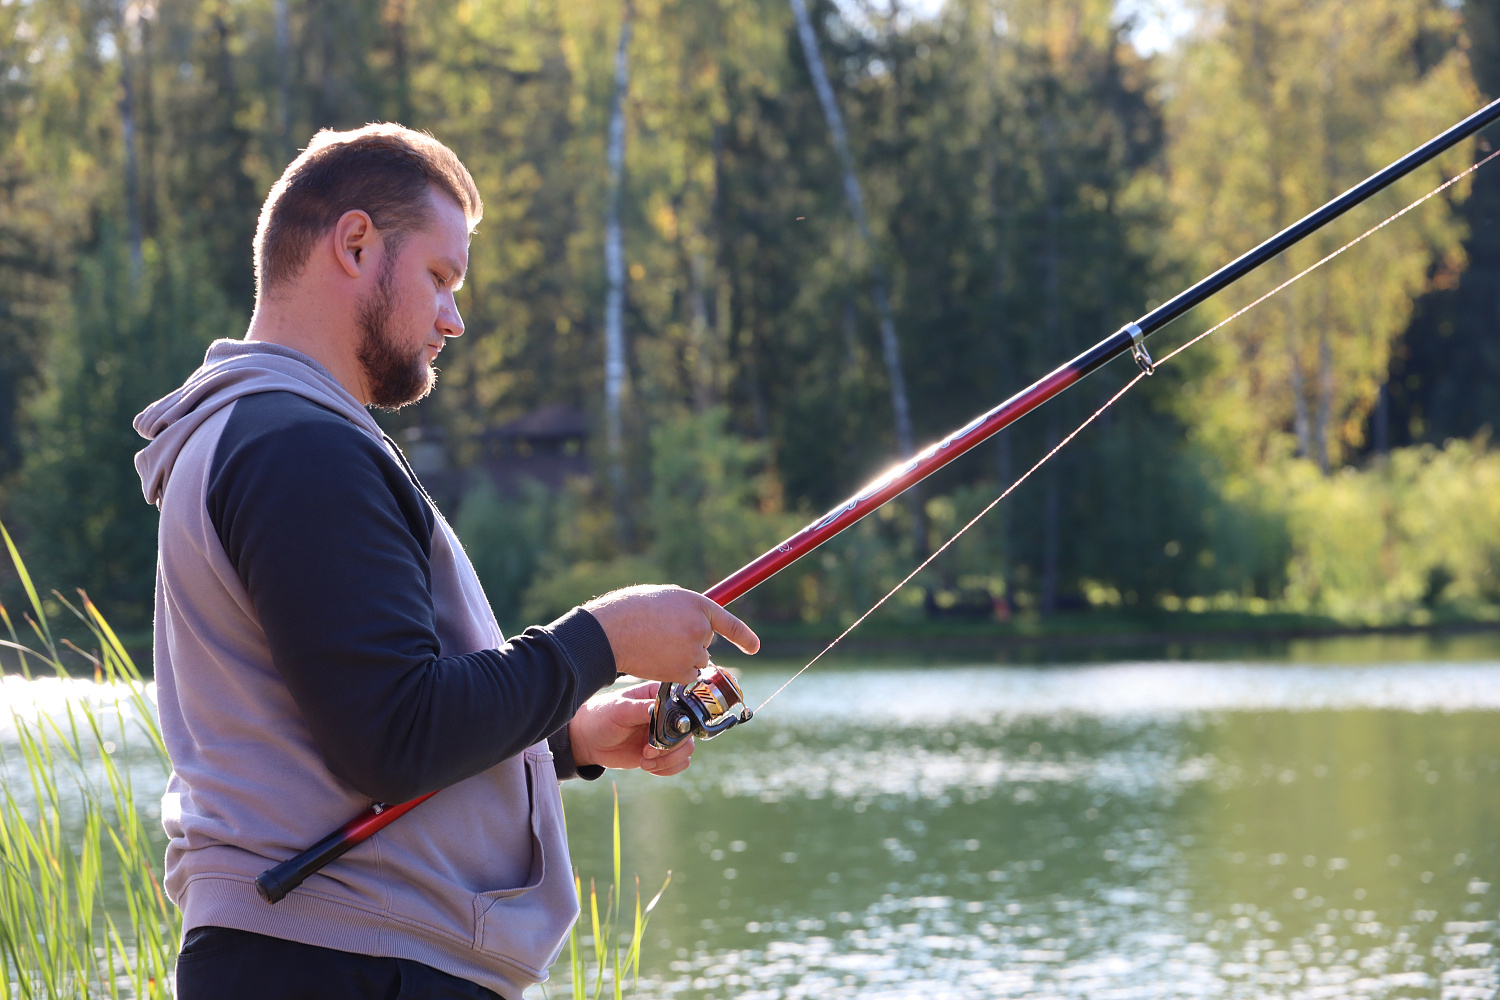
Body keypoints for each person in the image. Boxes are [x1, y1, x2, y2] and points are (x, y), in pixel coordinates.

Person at [132, 123, 759, 1000]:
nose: (454, 318)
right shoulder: (297, 446)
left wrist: (565, 737)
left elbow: (354, 712)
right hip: (339, 963)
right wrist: (599, 640)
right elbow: (394, 735)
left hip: (325, 957)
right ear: (354, 243)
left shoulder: (267, 433)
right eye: (439, 278)